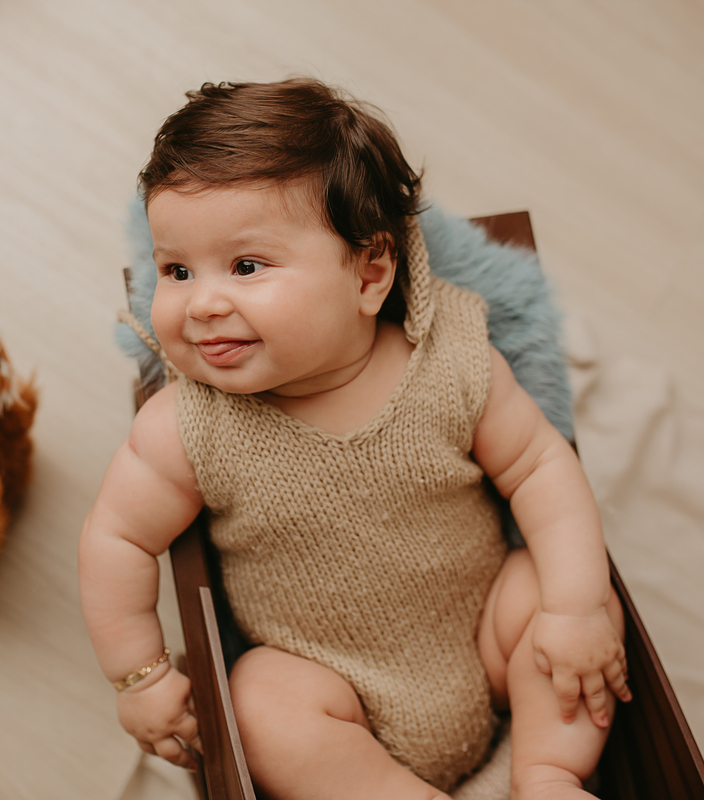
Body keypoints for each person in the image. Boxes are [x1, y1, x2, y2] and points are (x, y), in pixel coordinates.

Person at [79, 78, 631, 800]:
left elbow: (539, 468)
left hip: (482, 640)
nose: (203, 302)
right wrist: (141, 676)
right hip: (334, 689)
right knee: (260, 703)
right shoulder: (186, 427)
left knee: (561, 586)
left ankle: (549, 773)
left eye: (246, 266)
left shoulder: (453, 361)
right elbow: (115, 539)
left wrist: (575, 610)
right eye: (176, 270)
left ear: (370, 272)